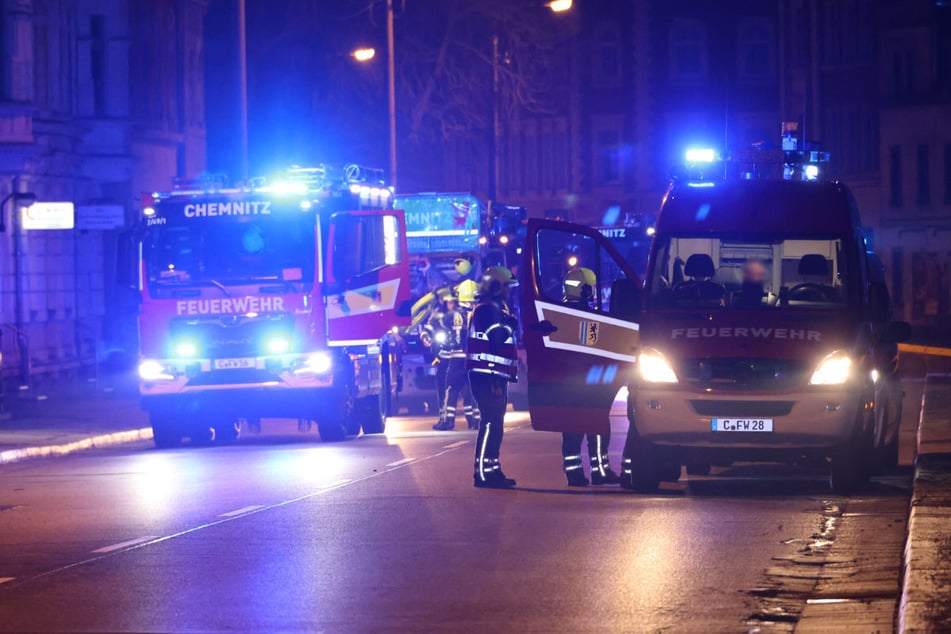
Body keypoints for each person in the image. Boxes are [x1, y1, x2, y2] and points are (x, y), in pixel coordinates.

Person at [560, 267, 620, 487]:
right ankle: (600, 471)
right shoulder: (585, 315)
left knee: (572, 429)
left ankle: (574, 474)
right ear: (585, 290)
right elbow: (593, 346)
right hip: (589, 380)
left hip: (568, 382)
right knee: (597, 424)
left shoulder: (559, 313)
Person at [467, 266, 519, 489]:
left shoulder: (495, 309)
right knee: (490, 423)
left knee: (495, 425)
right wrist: (511, 324)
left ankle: (493, 470)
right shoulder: (485, 310)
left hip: (494, 375)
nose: (509, 291)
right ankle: (482, 474)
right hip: (486, 376)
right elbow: (497, 337)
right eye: (507, 286)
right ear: (496, 287)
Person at [432, 291, 481, 430]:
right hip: (472, 358)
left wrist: (438, 308)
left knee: (451, 389)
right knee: (472, 389)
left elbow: (438, 324)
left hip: (456, 358)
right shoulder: (478, 314)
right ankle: (475, 421)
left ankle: (448, 421)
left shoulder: (451, 315)